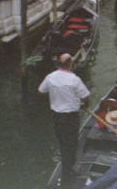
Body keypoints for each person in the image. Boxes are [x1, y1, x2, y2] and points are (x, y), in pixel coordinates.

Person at [38, 53, 90, 185]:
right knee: (72, 144)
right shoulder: (74, 79)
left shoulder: (50, 77)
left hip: (57, 117)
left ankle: (67, 170)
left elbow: (41, 91)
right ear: (70, 64)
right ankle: (68, 173)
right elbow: (85, 96)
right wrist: (83, 105)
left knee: (62, 143)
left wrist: (56, 97)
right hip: (71, 118)